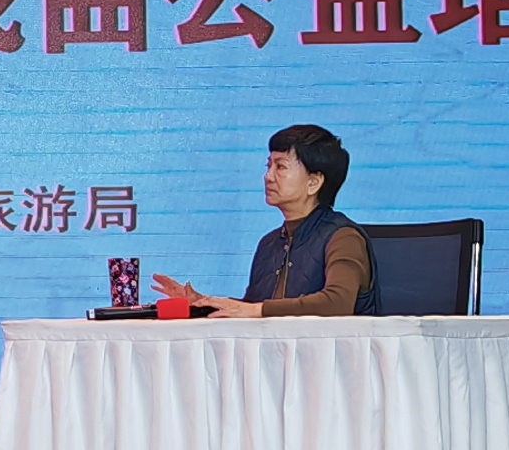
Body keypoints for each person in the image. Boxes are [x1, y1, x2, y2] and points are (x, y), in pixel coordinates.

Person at [151, 124, 377, 318]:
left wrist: (256, 310)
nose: (267, 177)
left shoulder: (343, 238)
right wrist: (202, 302)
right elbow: (251, 308)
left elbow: (337, 303)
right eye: (268, 166)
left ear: (313, 182)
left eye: (281, 167)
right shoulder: (269, 243)